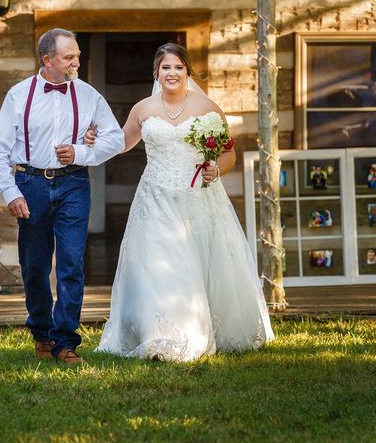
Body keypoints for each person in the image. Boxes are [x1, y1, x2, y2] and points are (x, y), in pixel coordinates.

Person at [91, 43, 274, 362]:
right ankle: (156, 334)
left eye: (178, 67)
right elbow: (121, 143)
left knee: (193, 264)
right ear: (156, 73)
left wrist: (216, 169)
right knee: (155, 264)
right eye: (165, 68)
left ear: (187, 71)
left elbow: (228, 153)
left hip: (197, 199)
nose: (172, 73)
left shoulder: (207, 108)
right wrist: (95, 141)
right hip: (155, 198)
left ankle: (194, 330)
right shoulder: (143, 108)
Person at [0, 28, 125, 364]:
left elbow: (115, 139)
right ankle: (41, 331)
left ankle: (65, 341)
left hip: (73, 183)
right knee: (34, 266)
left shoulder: (89, 96)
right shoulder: (19, 96)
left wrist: (80, 152)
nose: (77, 62)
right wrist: (11, 192)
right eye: (69, 57)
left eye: (77, 56)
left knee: (72, 262)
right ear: (47, 60)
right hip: (30, 184)